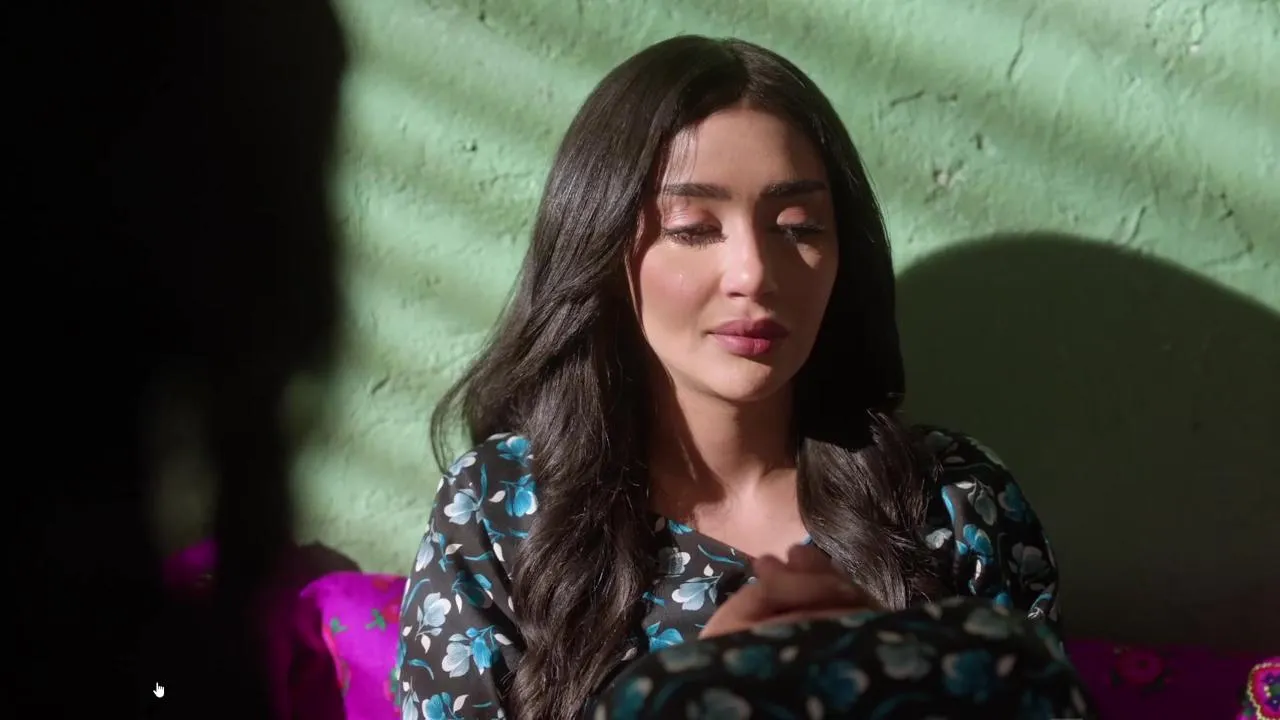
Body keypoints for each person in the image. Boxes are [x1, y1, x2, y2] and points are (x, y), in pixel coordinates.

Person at [396, 35, 1082, 720]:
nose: (753, 273)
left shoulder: (951, 505)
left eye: (798, 227)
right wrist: (699, 692)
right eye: (693, 227)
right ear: (599, 247)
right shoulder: (499, 512)